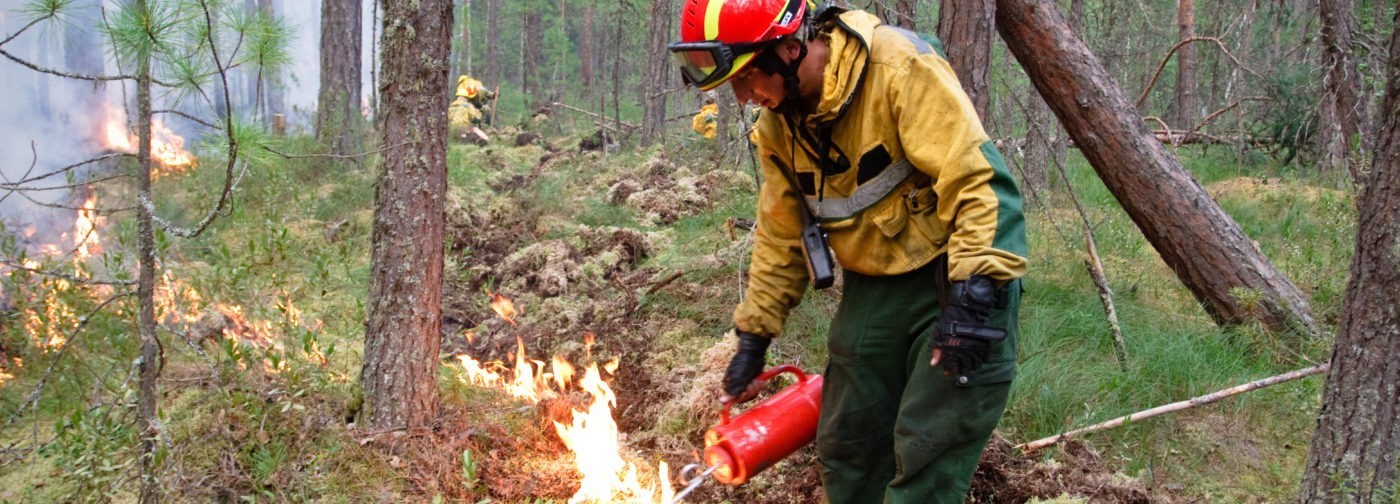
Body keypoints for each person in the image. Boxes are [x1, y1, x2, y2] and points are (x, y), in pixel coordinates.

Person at [668, 1, 1027, 502]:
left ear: (790, 49)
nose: (745, 96)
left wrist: (977, 291)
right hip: (876, 282)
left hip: (957, 275)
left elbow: (978, 182)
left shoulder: (898, 67)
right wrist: (754, 338)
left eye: (748, 78)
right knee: (849, 444)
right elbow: (781, 234)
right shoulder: (780, 123)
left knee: (927, 447)